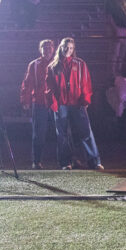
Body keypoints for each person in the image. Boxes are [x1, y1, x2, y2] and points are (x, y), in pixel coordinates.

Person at [46, 37, 103, 170]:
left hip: (77, 103)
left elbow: (86, 83)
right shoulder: (53, 67)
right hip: (61, 105)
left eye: (71, 48)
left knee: (86, 132)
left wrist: (86, 99)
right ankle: (66, 162)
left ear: (73, 50)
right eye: (66, 47)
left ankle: (95, 162)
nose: (68, 50)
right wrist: (53, 103)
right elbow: (49, 88)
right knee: (62, 134)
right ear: (61, 48)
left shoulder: (80, 64)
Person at [20, 39, 56, 169]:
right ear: (40, 50)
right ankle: (36, 160)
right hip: (40, 102)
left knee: (64, 132)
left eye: (50, 47)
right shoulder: (34, 64)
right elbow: (27, 83)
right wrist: (26, 101)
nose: (47, 50)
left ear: (53, 49)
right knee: (39, 133)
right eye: (45, 48)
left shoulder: (58, 63)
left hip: (56, 102)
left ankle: (68, 160)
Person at [105, 0, 126, 77]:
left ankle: (118, 71)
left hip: (125, 29)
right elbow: (109, 17)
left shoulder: (124, 2)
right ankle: (112, 74)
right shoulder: (111, 2)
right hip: (117, 29)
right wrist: (114, 29)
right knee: (114, 54)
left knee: (121, 54)